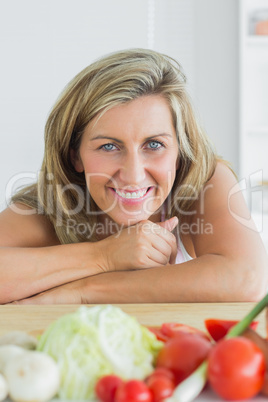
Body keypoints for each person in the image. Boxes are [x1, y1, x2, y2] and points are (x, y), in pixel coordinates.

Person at [0, 48, 267, 305]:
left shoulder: (204, 181)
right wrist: (105, 256)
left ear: (180, 150)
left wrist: (85, 291)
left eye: (154, 144)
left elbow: (247, 278)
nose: (133, 175)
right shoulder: (51, 203)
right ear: (75, 156)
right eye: (108, 146)